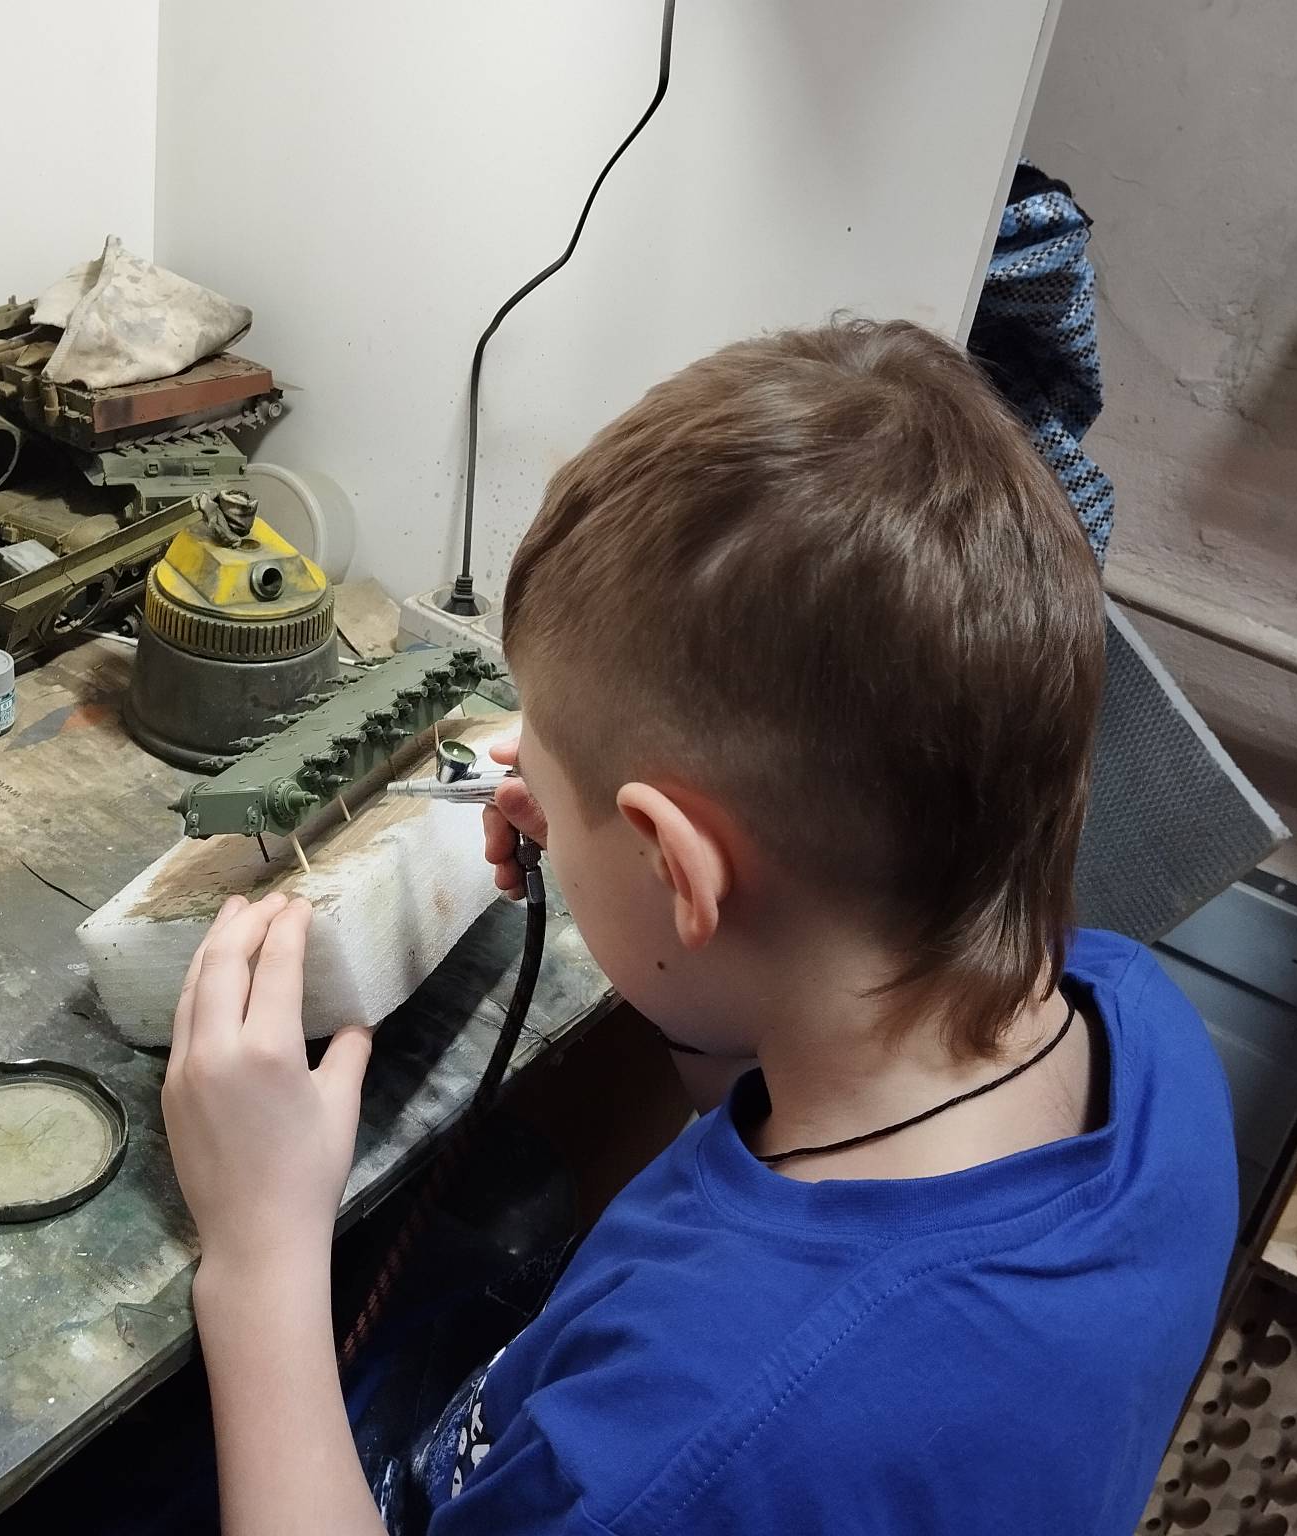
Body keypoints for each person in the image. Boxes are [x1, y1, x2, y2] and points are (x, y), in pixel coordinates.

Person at [161, 318, 1238, 1535]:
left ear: (679, 867)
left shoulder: (680, 1454)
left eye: (542, 775)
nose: (525, 796)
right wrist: (601, 820)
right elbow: (769, 1056)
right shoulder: (1137, 1021)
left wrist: (261, 1256)